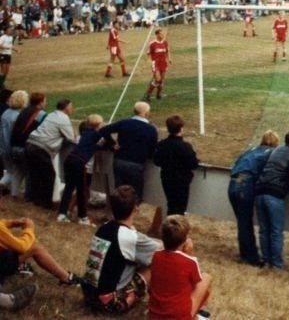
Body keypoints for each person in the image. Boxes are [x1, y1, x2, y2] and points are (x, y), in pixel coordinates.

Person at [82, 185, 162, 315]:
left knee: (140, 257)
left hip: (89, 295)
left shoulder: (104, 228)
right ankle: (163, 305)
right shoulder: (129, 237)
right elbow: (161, 249)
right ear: (135, 208)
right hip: (110, 303)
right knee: (159, 260)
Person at [0, 182, 79, 286]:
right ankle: (66, 278)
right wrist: (29, 230)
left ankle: (21, 266)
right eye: (0, 200)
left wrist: (13, 223)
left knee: (5, 243)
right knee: (34, 247)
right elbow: (22, 247)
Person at [254, 129, 289, 269]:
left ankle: (266, 259)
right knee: (276, 231)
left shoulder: (276, 150)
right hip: (275, 193)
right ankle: (276, 264)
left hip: (260, 190)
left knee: (264, 230)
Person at [228, 130, 279, 266]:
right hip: (246, 184)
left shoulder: (250, 150)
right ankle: (250, 257)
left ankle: (246, 252)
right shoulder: (270, 154)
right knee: (245, 223)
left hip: (233, 183)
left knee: (242, 222)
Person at [148, 215, 212, 320]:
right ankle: (194, 316)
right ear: (185, 240)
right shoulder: (190, 261)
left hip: (154, 315)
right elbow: (194, 285)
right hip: (179, 316)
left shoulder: (155, 256)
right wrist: (189, 254)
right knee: (206, 278)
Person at [98, 101, 159, 202]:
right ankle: (130, 214)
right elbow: (152, 150)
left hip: (119, 161)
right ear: (146, 113)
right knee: (135, 194)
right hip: (136, 164)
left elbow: (103, 130)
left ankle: (118, 214)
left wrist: (112, 144)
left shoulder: (125, 122)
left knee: (119, 192)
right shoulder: (151, 129)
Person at [58, 114, 109, 225]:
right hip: (80, 163)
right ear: (98, 125)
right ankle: (82, 217)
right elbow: (106, 142)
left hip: (70, 160)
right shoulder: (96, 135)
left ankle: (62, 213)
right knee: (82, 192)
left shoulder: (84, 134)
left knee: (69, 188)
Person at [25, 99, 75, 209]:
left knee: (36, 174)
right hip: (41, 148)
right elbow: (71, 138)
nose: (72, 109)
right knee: (49, 176)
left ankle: (33, 198)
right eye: (71, 107)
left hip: (30, 143)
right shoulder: (64, 118)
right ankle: (46, 203)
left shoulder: (51, 114)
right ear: (66, 108)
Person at [153, 115, 199, 216]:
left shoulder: (162, 144)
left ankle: (170, 227)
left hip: (166, 179)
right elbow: (194, 164)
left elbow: (157, 161)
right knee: (180, 208)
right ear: (181, 128)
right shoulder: (185, 146)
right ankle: (175, 229)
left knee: (171, 205)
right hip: (181, 182)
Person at [0, 90, 28, 196]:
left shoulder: (6, 112)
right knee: (17, 171)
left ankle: (8, 190)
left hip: (1, 146)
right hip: (10, 147)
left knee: (11, 171)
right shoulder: (16, 116)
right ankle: (2, 189)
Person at [144, 29, 171, 101]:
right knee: (157, 79)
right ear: (157, 35)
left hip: (163, 63)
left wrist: (169, 59)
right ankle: (148, 94)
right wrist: (148, 61)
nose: (162, 35)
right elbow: (148, 53)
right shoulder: (152, 44)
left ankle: (158, 94)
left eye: (163, 34)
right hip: (155, 63)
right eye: (161, 34)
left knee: (161, 80)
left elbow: (167, 51)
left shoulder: (165, 42)